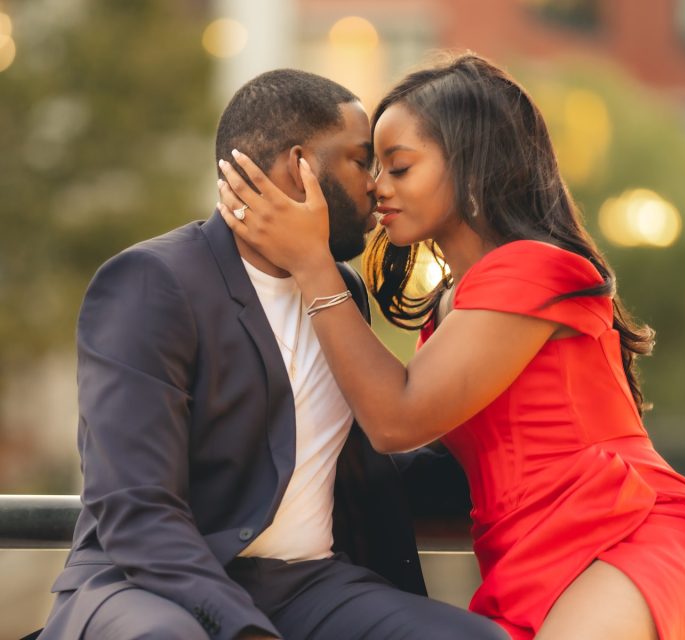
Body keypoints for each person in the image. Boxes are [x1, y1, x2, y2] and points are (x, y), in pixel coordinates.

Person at [216, 54, 685, 639]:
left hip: (627, 536)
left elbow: (396, 419)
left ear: (472, 166)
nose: (376, 187)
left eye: (399, 167)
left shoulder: (536, 269)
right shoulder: (452, 307)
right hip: (529, 562)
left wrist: (311, 264)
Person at [37, 69, 509, 640]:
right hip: (150, 585)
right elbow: (136, 511)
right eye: (363, 161)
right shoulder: (152, 283)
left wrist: (524, 459)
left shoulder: (337, 289)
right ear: (299, 167)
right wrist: (243, 628)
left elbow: (334, 451)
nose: (377, 185)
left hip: (310, 587)